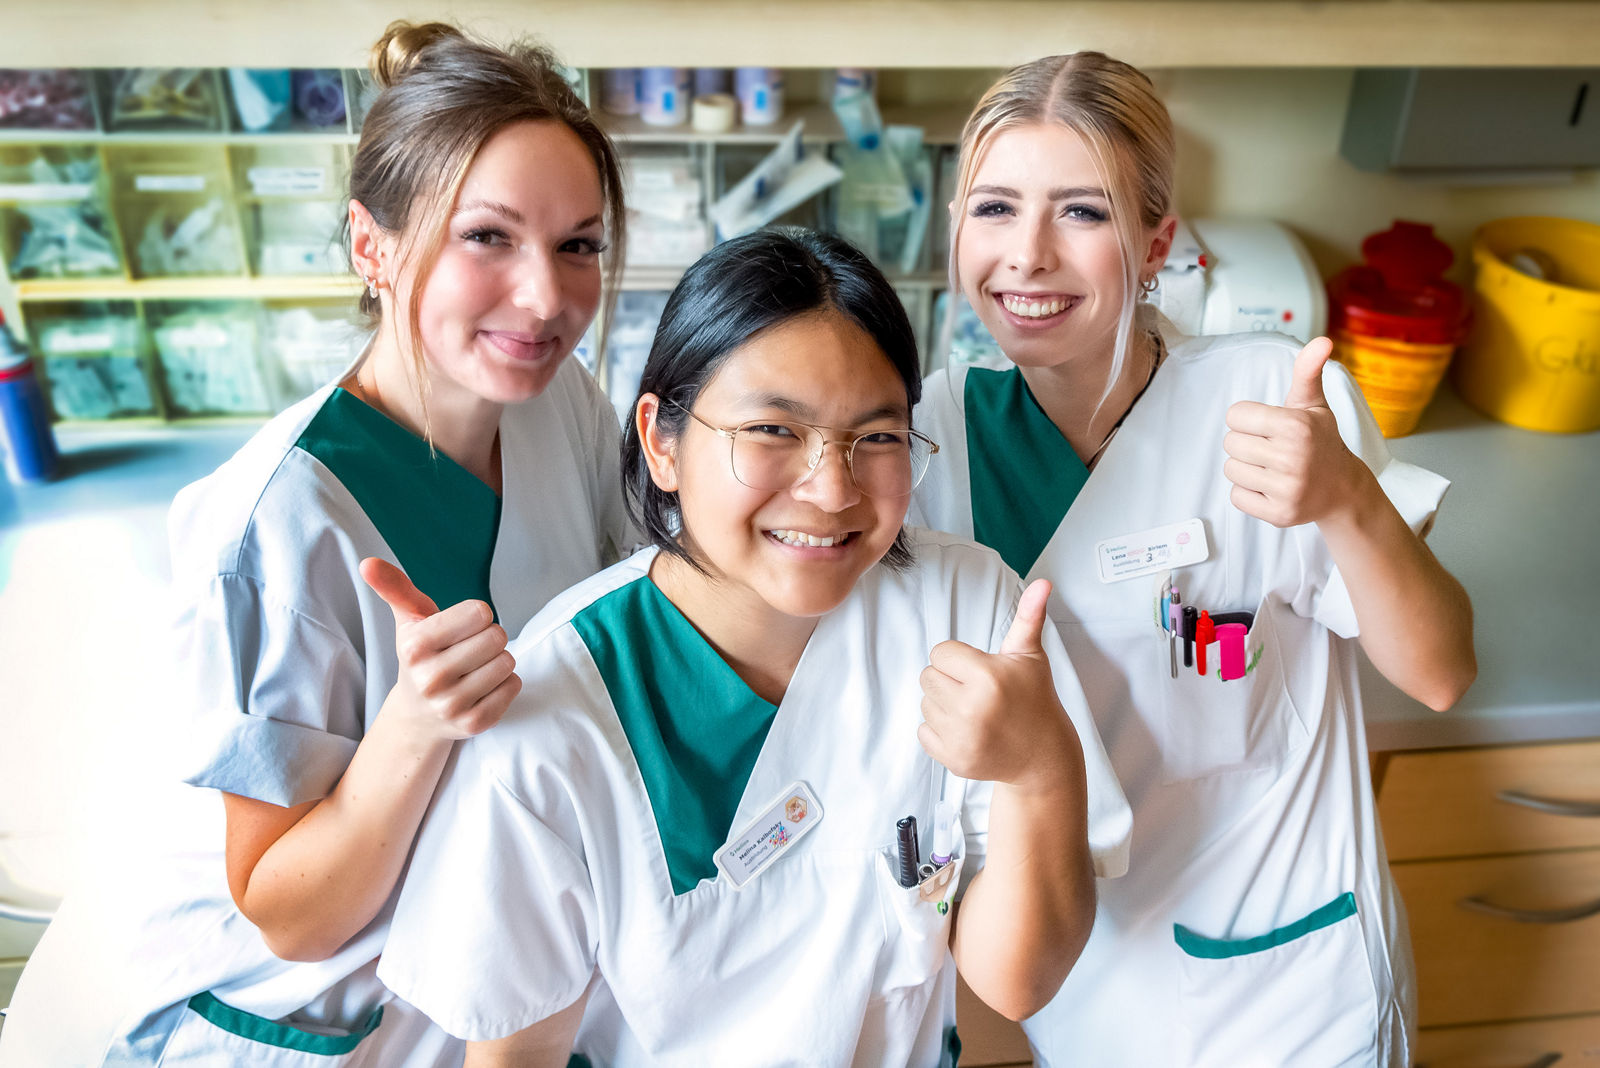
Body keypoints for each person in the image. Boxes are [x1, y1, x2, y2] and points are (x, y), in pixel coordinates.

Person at [0, 21, 631, 1066]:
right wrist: (413, 731)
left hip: (499, 954)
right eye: (489, 237)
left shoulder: (559, 405)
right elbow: (289, 912)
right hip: (313, 1010)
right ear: (370, 245)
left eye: (578, 244)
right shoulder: (276, 524)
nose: (547, 296)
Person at [374, 228, 1132, 1067]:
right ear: (662, 441)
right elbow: (517, 1051)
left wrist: (1040, 768)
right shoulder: (563, 697)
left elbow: (1014, 983)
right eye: (774, 430)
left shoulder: (967, 609)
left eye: (877, 437)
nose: (833, 489)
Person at [909, 52, 1476, 1068]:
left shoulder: (1269, 401)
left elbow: (1439, 672)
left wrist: (1345, 498)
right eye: (994, 208)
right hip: (1078, 992)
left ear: (1156, 241)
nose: (1027, 255)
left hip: (1287, 1000)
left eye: (1081, 213)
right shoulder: (927, 439)